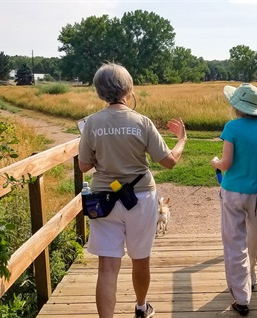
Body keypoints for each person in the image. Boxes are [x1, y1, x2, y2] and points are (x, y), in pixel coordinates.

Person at [78, 62, 187, 318]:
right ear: (129, 88)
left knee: (107, 266)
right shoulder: (142, 122)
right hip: (140, 197)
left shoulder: (92, 124)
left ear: (99, 91)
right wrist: (181, 140)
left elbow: (84, 166)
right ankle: (141, 307)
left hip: (103, 200)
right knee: (141, 258)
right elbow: (169, 162)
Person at [210, 83, 257, 316]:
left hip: (233, 192)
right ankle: (252, 276)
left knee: (234, 243)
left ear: (237, 106)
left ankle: (241, 296)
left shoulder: (232, 128)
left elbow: (226, 164)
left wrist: (216, 162)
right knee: (253, 235)